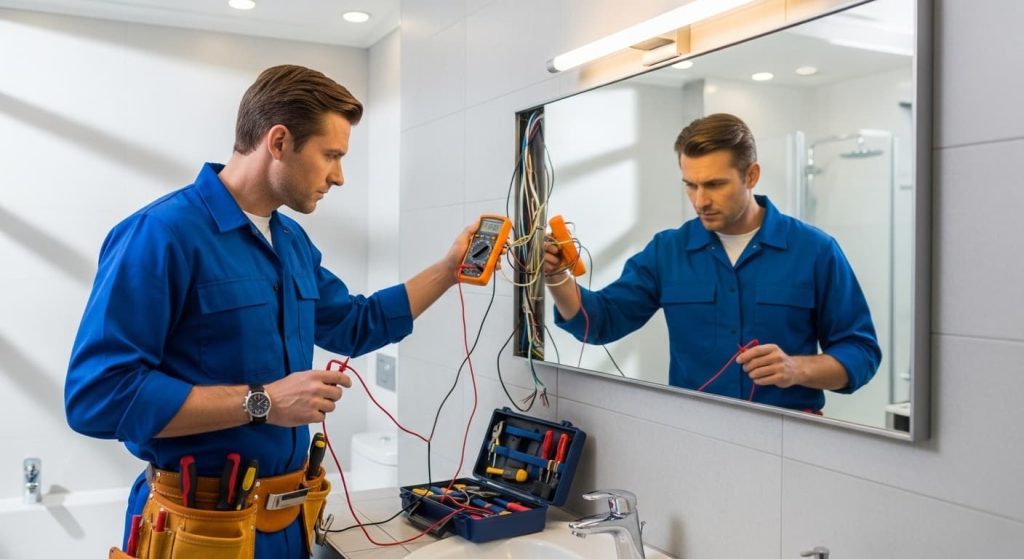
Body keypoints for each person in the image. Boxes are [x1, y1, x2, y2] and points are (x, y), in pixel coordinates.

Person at [65, 65, 472, 558]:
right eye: (331, 155)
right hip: (199, 529)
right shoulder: (161, 234)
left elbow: (356, 323)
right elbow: (98, 396)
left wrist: (449, 270)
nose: (339, 176)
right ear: (279, 142)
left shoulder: (291, 241)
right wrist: (262, 402)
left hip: (287, 524)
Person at [543, 113, 881, 412]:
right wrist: (557, 276)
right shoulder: (667, 251)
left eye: (715, 185)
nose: (700, 200)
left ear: (751, 175)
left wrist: (797, 369)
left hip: (791, 437)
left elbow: (861, 353)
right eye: (691, 185)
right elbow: (599, 322)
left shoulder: (815, 250)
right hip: (695, 435)